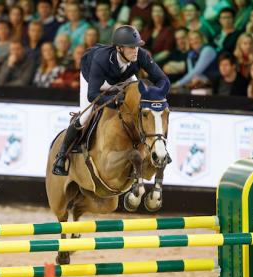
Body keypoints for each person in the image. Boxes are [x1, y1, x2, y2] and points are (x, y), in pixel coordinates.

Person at [52, 25, 170, 176]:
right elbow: (93, 95)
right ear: (119, 48)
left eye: (137, 46)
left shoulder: (140, 55)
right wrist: (115, 101)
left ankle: (160, 148)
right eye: (131, 47)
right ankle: (61, 156)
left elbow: (163, 80)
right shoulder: (101, 59)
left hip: (124, 77)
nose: (135, 50)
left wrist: (157, 96)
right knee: (84, 116)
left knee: (146, 109)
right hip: (97, 80)